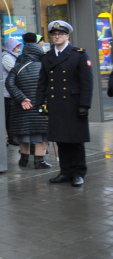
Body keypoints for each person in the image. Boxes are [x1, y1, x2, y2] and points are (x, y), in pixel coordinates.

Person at [34, 21, 93, 187]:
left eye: (60, 34)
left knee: (76, 141)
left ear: (68, 36)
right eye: (54, 34)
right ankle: (65, 172)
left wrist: (84, 105)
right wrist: (38, 103)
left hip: (74, 105)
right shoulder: (47, 57)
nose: (57, 36)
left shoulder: (79, 55)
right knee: (61, 140)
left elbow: (86, 83)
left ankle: (78, 173)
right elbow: (42, 82)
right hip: (56, 104)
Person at [5, 33, 50, 169]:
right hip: (40, 106)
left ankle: (23, 160)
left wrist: (22, 98)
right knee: (42, 134)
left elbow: (9, 83)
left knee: (23, 132)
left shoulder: (17, 67)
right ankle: (39, 161)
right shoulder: (44, 67)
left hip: (21, 107)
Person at [1, 37, 22, 145]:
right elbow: (15, 71)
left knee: (9, 116)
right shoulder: (6, 57)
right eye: (17, 48)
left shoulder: (12, 57)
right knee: (7, 116)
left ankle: (11, 137)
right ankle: (10, 137)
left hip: (9, 92)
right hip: (6, 92)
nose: (19, 50)